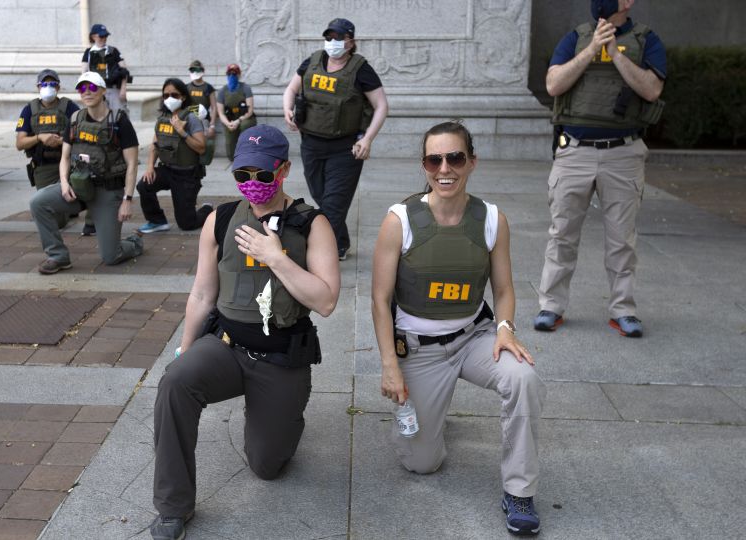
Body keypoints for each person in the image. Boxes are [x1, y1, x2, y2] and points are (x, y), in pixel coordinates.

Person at [150, 124, 340, 540]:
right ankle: (172, 506)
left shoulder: (312, 224)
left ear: (284, 169)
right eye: (242, 175)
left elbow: (325, 301)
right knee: (175, 384)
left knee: (266, 466)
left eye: (262, 174)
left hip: (281, 357)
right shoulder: (220, 220)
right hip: (226, 346)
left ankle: (282, 419)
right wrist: (184, 350)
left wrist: (277, 257)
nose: (252, 184)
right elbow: (202, 293)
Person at [371, 122, 546, 536]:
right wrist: (390, 364)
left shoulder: (491, 218)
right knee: (422, 464)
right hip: (418, 348)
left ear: (471, 161)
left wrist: (504, 328)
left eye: (455, 158)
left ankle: (519, 491)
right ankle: (432, 414)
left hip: (474, 338)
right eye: (435, 159)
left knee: (523, 377)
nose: (444, 168)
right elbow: (380, 299)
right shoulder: (399, 220)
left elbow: (503, 288)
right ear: (424, 165)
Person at [535, 0, 665, 338]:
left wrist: (616, 53)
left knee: (622, 239)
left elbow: (651, 89)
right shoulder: (575, 38)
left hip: (623, 152)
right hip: (575, 151)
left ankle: (623, 310)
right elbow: (553, 85)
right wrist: (593, 47)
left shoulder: (646, 40)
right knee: (562, 234)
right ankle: (551, 306)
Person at [282, 17, 388, 260]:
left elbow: (381, 105)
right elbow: (291, 89)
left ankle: (318, 254)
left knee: (332, 205)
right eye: (329, 37)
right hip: (311, 145)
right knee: (321, 195)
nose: (333, 42)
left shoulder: (361, 69)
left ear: (351, 42)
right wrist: (288, 109)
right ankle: (340, 243)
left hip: (345, 149)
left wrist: (368, 139)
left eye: (339, 38)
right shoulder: (313, 61)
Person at [28, 72, 142, 274]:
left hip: (108, 191)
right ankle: (58, 256)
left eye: (92, 88)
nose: (87, 92)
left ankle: (134, 242)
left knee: (111, 257)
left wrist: (127, 199)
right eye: (82, 88)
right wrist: (64, 183)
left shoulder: (119, 121)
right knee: (39, 202)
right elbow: (65, 157)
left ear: (103, 91)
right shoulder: (75, 119)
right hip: (78, 187)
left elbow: (132, 164)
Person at [136, 78, 213, 234]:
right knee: (144, 185)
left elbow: (201, 148)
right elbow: (155, 145)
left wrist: (182, 132)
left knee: (187, 224)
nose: (169, 98)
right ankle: (157, 221)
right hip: (167, 170)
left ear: (183, 97)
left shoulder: (191, 118)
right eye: (166, 95)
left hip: (187, 175)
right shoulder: (164, 118)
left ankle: (207, 209)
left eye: (174, 95)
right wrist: (150, 167)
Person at [14, 69, 87, 232]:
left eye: (52, 84)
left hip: (70, 165)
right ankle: (68, 209)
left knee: (89, 193)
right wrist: (39, 137)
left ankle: (74, 207)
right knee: (56, 221)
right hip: (44, 167)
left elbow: (84, 134)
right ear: (38, 87)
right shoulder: (30, 109)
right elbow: (20, 143)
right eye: (44, 84)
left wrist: (63, 141)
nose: (48, 87)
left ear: (58, 87)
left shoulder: (68, 107)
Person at [82, 24, 128, 112]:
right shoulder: (88, 52)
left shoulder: (113, 51)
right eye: (101, 36)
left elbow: (124, 71)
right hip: (95, 90)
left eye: (105, 36)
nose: (104, 38)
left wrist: (123, 88)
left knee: (119, 115)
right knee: (98, 117)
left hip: (113, 89)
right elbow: (84, 73)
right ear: (94, 36)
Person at [217, 63, 256, 162]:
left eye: (235, 73)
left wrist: (238, 121)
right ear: (226, 75)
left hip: (245, 118)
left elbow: (250, 110)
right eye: (230, 73)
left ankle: (248, 154)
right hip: (230, 120)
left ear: (239, 74)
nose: (232, 75)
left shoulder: (246, 88)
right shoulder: (222, 91)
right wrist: (228, 123)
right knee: (231, 154)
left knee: (245, 126)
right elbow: (221, 113)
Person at [185, 59, 218, 165]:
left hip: (203, 120)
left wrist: (212, 125)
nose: (196, 72)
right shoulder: (186, 87)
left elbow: (214, 107)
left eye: (198, 70)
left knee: (202, 145)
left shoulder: (208, 88)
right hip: (190, 118)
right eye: (193, 70)